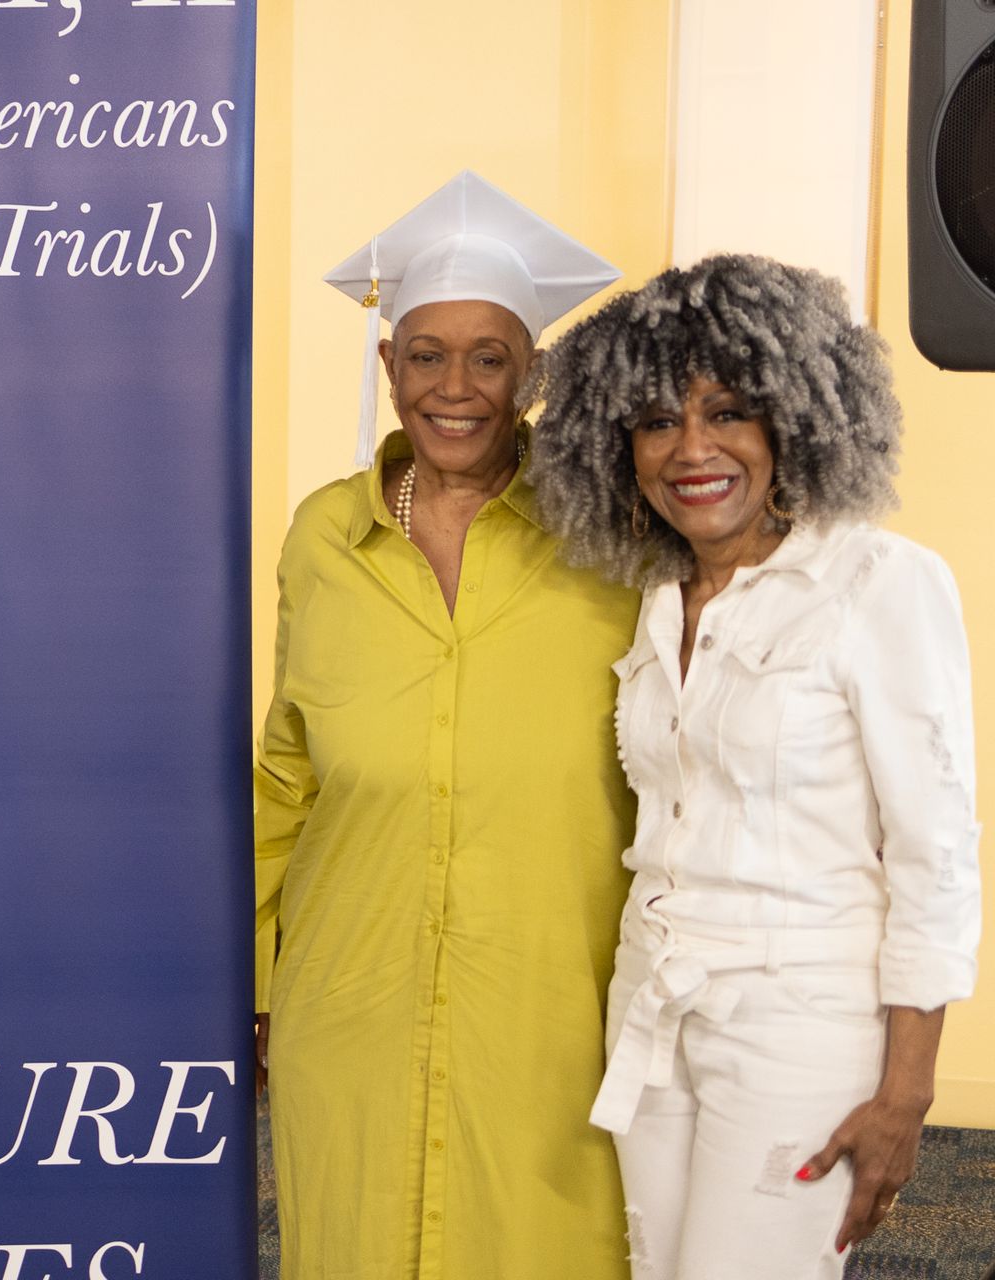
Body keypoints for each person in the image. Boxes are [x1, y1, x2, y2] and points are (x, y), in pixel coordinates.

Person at [529, 254, 981, 1278]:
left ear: (797, 417)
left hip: (799, 1017)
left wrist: (908, 1091)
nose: (692, 448)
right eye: (655, 420)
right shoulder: (650, 592)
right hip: (651, 1004)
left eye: (729, 411)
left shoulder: (877, 581)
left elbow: (934, 850)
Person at [255, 171, 640, 1279]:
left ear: (532, 373)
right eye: (426, 353)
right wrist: (257, 979)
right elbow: (287, 773)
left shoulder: (611, 531)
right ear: (389, 366)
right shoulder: (324, 535)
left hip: (551, 1007)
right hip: (350, 998)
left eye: (490, 355)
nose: (456, 385)